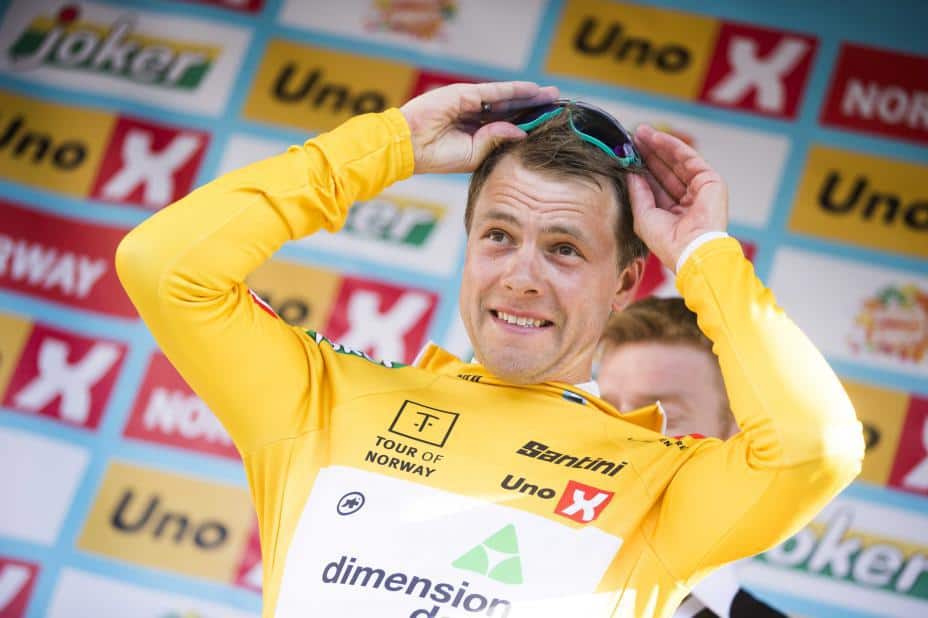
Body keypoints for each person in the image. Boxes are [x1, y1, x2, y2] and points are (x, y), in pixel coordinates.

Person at [115, 81, 864, 618]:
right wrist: (388, 146)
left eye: (565, 249)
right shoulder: (324, 401)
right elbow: (164, 266)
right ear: (468, 246)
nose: (522, 276)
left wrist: (702, 252)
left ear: (624, 283)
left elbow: (817, 447)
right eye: (499, 236)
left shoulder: (664, 487)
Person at [599, 296, 788, 617]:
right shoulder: (522, 569)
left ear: (738, 434)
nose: (623, 437)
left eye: (663, 416)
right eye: (607, 410)